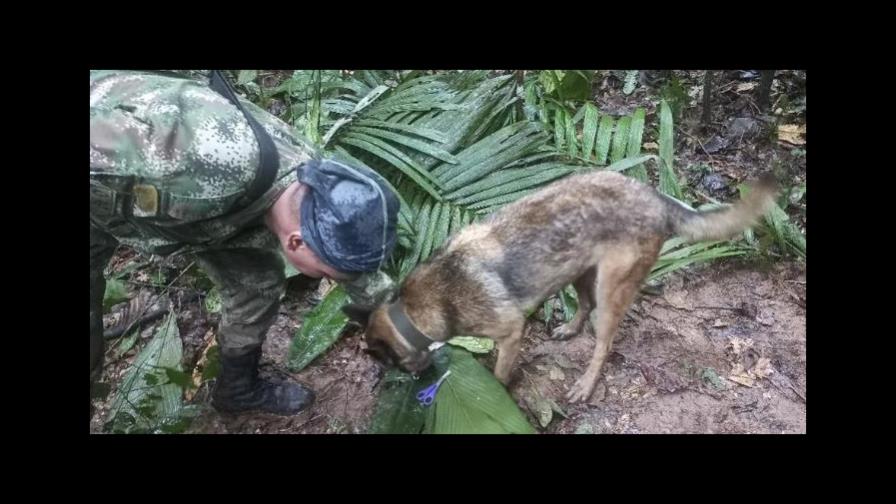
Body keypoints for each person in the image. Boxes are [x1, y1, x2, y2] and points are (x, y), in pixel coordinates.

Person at [90, 70, 399, 418]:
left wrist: (405, 329)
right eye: (328, 274)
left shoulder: (314, 184)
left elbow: (351, 267)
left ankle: (237, 390)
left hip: (205, 214)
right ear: (296, 242)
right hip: (105, 177)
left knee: (256, 285)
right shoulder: (199, 162)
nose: (336, 279)